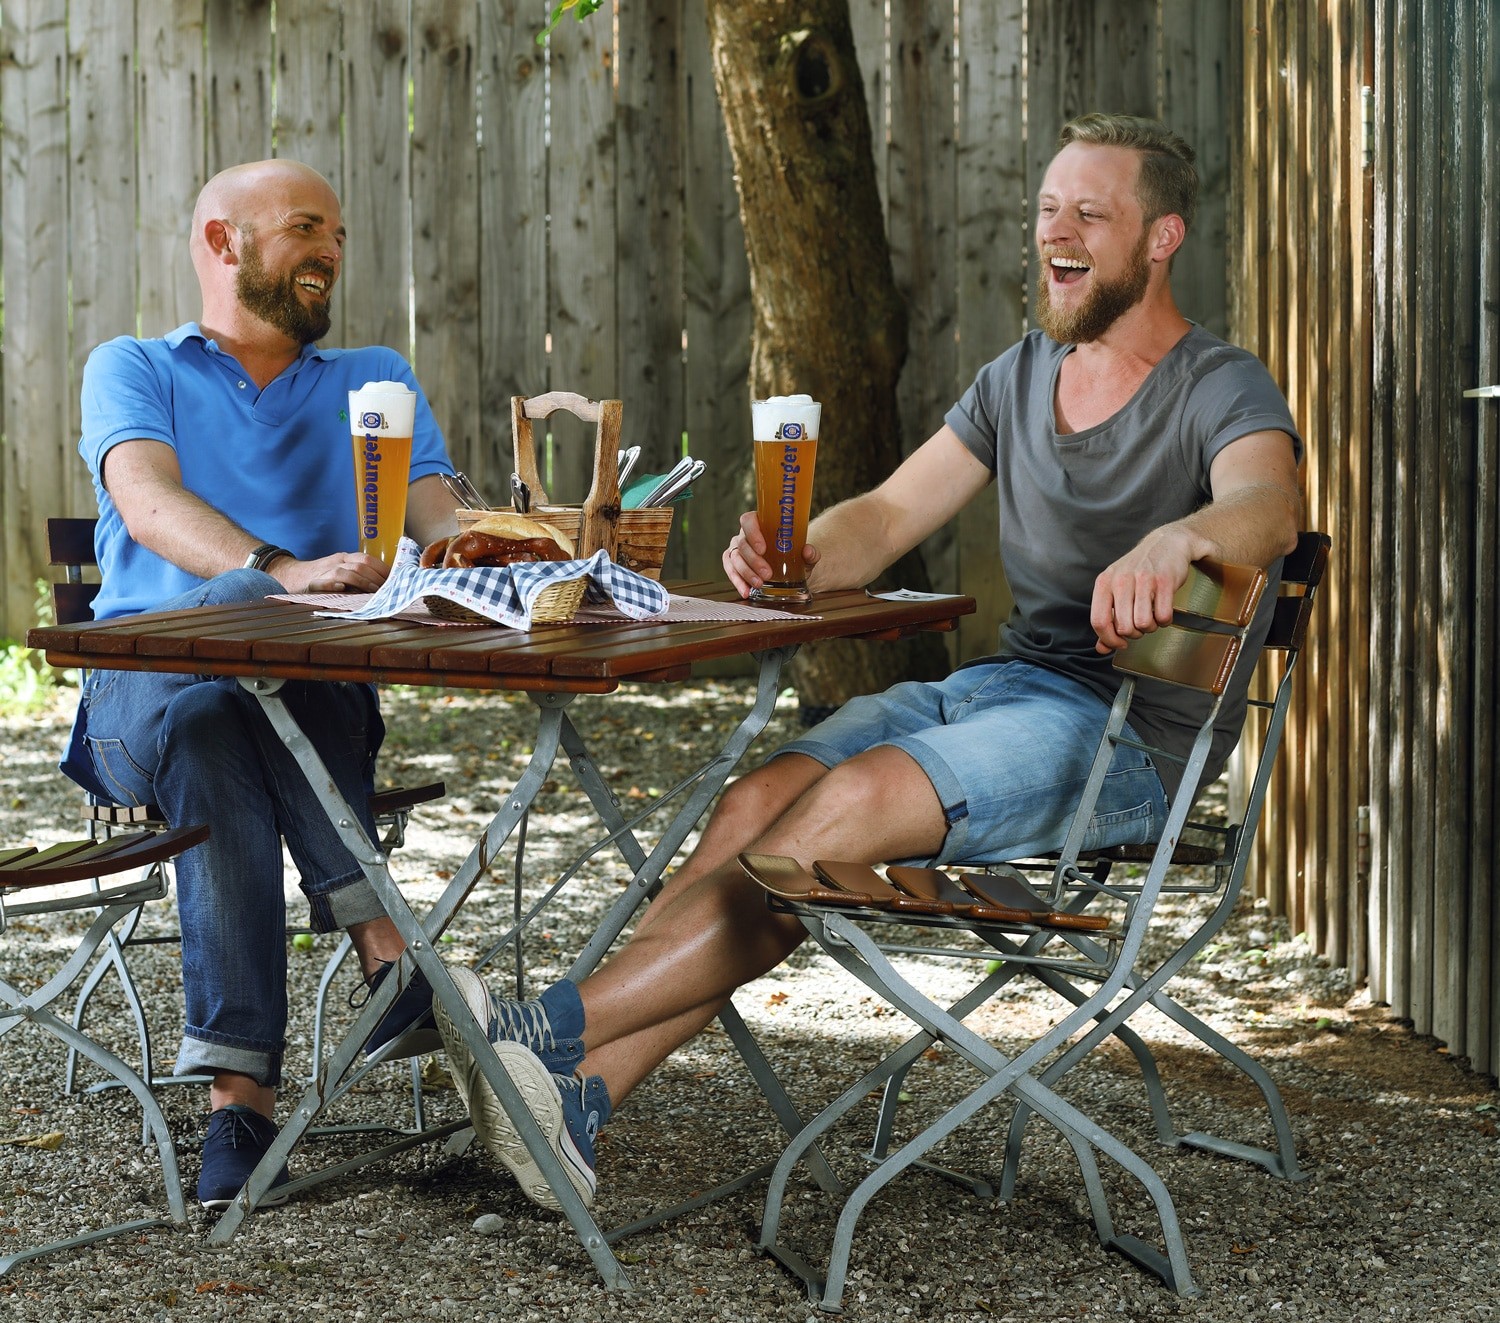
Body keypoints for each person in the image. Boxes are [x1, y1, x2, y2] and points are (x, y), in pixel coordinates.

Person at [430, 113, 1304, 1214]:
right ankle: (582, 1102)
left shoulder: (1218, 383)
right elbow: (888, 515)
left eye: (1091, 213)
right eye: (1047, 209)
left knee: (845, 809)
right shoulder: (1018, 376)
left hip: (1133, 738)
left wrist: (1187, 537)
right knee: (763, 799)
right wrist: (795, 553)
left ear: (1161, 237)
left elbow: (1269, 505)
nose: (1057, 233)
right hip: (1006, 690)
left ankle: (535, 1032)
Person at [61, 159, 457, 1210]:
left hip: (287, 702)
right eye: (302, 228)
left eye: (336, 231)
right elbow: (146, 504)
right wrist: (272, 576)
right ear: (223, 243)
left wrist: (499, 543)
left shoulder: (375, 378)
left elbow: (446, 523)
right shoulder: (136, 365)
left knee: (219, 723)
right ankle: (385, 941)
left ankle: (239, 1104)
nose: (329, 248)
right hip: (132, 692)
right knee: (220, 661)